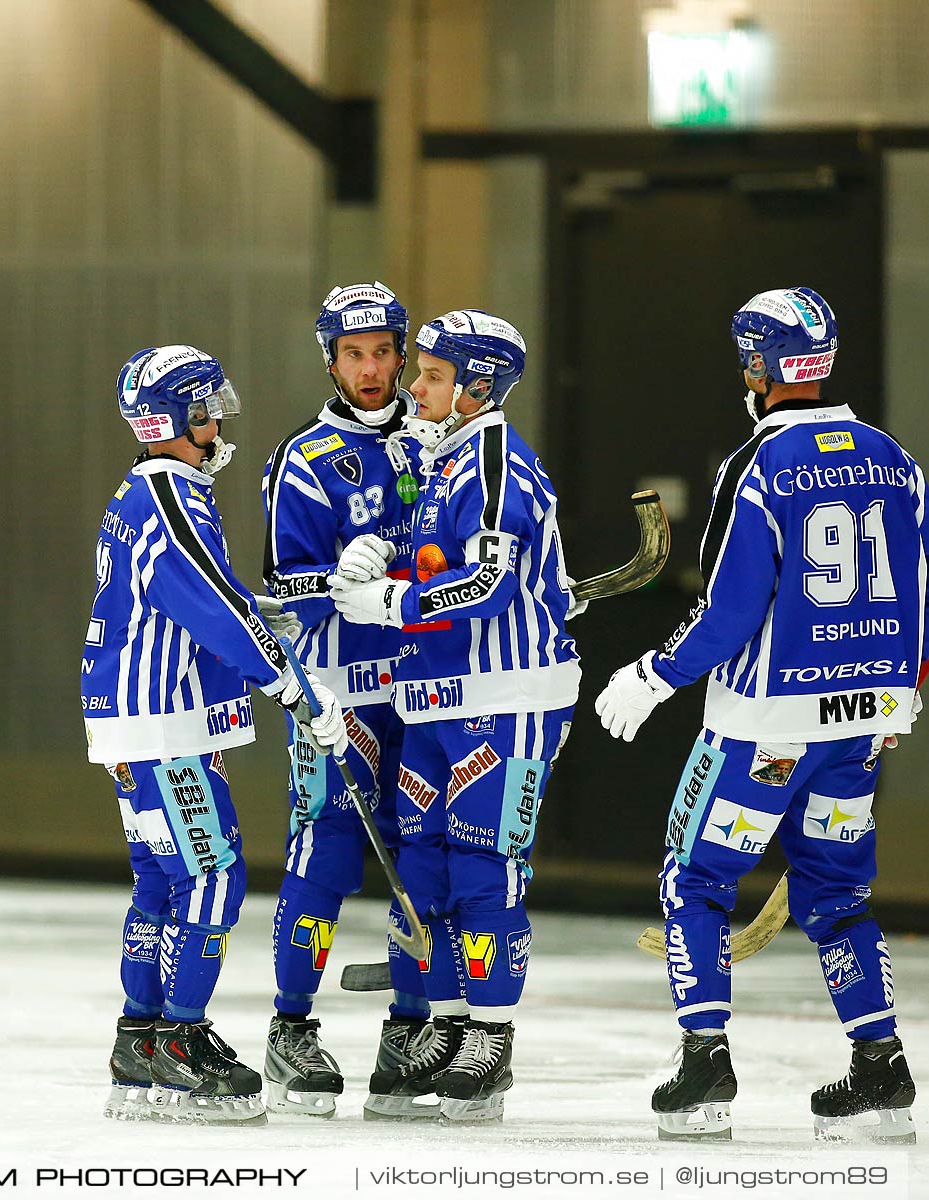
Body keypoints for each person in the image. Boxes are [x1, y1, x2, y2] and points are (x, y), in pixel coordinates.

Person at [594, 287, 929, 1144]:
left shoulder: (757, 466)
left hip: (763, 728)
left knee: (696, 880)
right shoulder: (893, 458)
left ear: (760, 362)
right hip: (861, 727)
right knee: (837, 893)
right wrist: (899, 679)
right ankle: (881, 1065)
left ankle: (705, 1064)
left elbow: (729, 610)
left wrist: (655, 674)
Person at [84, 344, 346, 1124]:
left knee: (164, 881)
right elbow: (213, 611)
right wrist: (296, 689)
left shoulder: (151, 491)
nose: (220, 417)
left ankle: (141, 1037)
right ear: (184, 415)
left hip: (137, 724)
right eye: (210, 405)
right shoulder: (173, 499)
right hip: (165, 727)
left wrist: (264, 614)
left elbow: (202, 596)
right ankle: (180, 1040)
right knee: (212, 877)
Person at [330, 311, 581, 1122]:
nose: (413, 386)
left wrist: (392, 599)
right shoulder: (444, 461)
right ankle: (445, 1023)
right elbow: (443, 564)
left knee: (486, 870)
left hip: (507, 700)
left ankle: (491, 1037)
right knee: (425, 870)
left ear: (477, 388)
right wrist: (380, 560)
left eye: (433, 376)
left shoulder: (498, 459)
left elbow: (492, 587)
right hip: (434, 700)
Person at [257, 282, 430, 1118]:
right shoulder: (305, 456)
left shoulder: (441, 441)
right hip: (339, 693)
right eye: (353, 354)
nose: (371, 368)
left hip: (433, 688)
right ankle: (291, 1030)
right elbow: (277, 587)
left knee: (424, 853)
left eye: (383, 351)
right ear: (330, 359)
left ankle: (412, 1029)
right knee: (325, 852)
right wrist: (337, 576)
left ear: (402, 353)